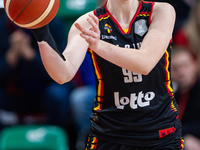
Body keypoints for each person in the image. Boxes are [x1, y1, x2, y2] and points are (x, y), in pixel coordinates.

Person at [31, 0, 183, 149]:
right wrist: (41, 33)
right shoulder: (88, 22)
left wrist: (99, 45)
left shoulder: (160, 11)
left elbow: (145, 62)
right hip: (110, 132)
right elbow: (62, 74)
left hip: (161, 132)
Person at [0, 8, 73, 131]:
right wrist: (12, 56)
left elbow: (61, 73)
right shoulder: (3, 27)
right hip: (16, 92)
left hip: (47, 89)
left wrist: (30, 55)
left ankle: (61, 139)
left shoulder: (53, 24)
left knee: (56, 94)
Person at [171, 46, 200, 150]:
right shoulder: (174, 96)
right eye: (175, 68)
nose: (181, 73)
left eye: (185, 66)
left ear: (194, 65)